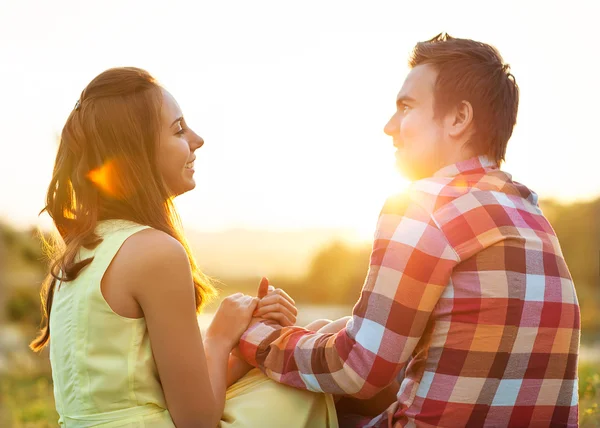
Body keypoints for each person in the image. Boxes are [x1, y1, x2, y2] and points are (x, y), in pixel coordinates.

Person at [238, 33, 581, 427]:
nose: (389, 126)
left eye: (406, 107)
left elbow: (358, 369)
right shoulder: (530, 213)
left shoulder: (423, 205)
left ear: (458, 118)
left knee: (278, 404)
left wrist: (257, 338)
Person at [30, 67, 338, 427]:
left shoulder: (80, 254)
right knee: (311, 367)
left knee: (309, 343)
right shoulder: (154, 252)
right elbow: (196, 420)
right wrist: (221, 335)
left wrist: (241, 340)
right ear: (137, 152)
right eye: (178, 130)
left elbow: (162, 393)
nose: (198, 139)